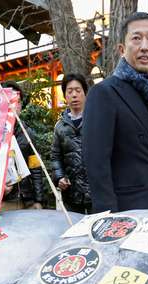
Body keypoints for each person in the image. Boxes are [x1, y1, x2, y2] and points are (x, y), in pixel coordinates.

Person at [83, 12, 148, 212]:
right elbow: (96, 164)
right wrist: (109, 218)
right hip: (128, 214)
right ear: (121, 49)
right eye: (136, 38)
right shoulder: (104, 93)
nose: (144, 46)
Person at [1, 80, 45, 209]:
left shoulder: (27, 133)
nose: (14, 105)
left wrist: (38, 200)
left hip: (26, 199)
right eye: (10, 101)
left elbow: (35, 167)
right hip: (2, 201)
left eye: (18, 101)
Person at [51, 73, 91, 214]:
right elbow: (55, 157)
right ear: (65, 96)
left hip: (96, 191)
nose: (74, 95)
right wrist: (59, 177)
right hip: (71, 193)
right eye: (70, 91)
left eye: (78, 90)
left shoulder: (96, 119)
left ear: (85, 93)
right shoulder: (60, 127)